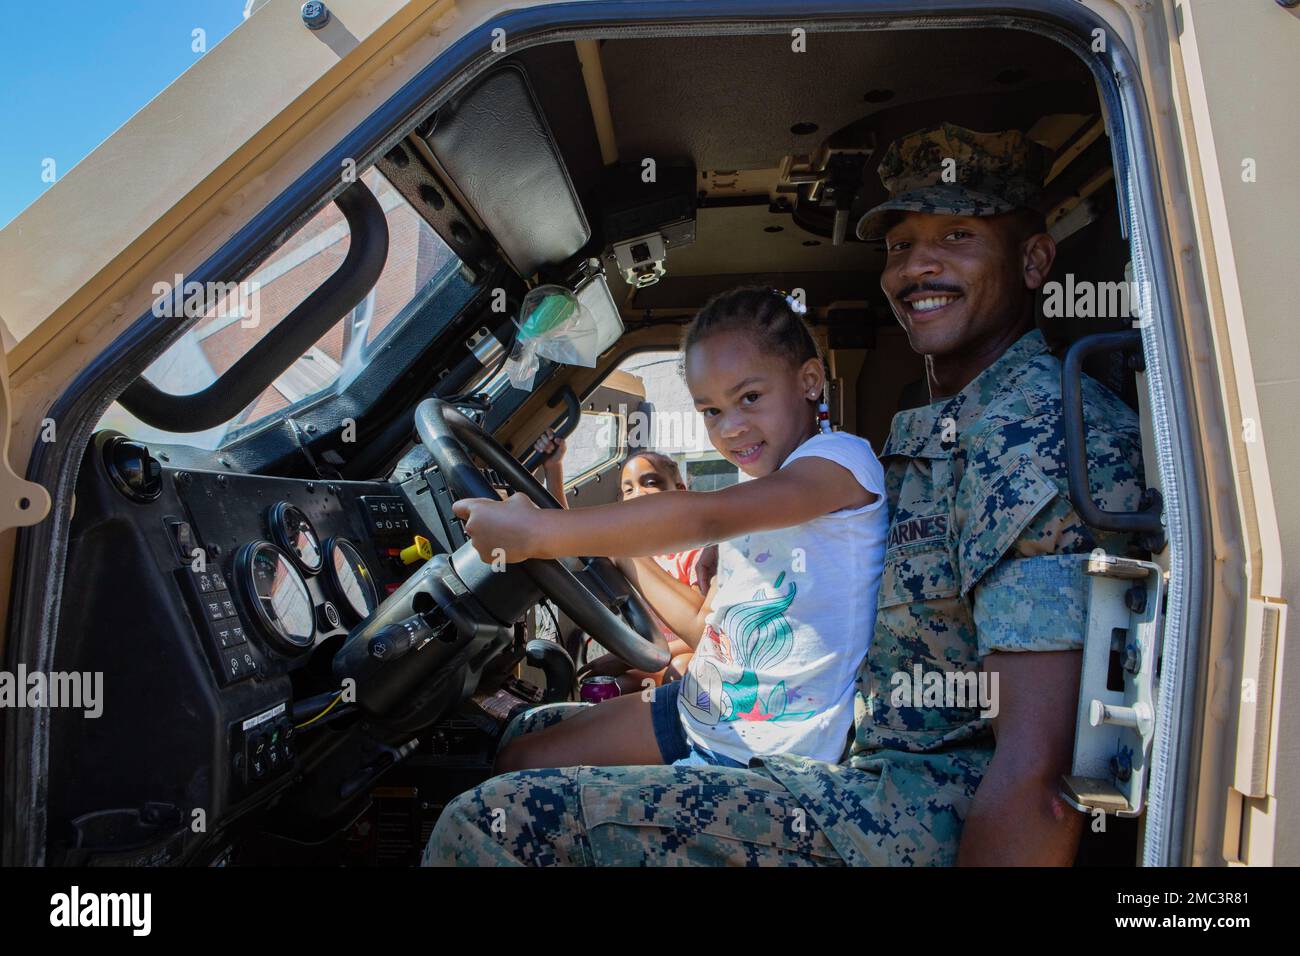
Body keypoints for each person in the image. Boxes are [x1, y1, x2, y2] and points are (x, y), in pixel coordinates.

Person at [423, 123, 1146, 866]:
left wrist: (545, 534)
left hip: (903, 806)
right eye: (900, 246)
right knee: (519, 740)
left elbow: (1039, 772)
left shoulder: (1035, 440)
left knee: (488, 825)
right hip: (836, 756)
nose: (917, 267)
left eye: (957, 234)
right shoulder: (949, 429)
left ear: (1033, 261)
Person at [447, 286, 888, 778]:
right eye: (712, 411)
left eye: (750, 397)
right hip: (703, 703)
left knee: (514, 781)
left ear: (809, 381)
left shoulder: (840, 462)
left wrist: (538, 532)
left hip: (762, 749)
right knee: (519, 751)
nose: (732, 428)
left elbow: (705, 517)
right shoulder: (760, 484)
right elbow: (707, 627)